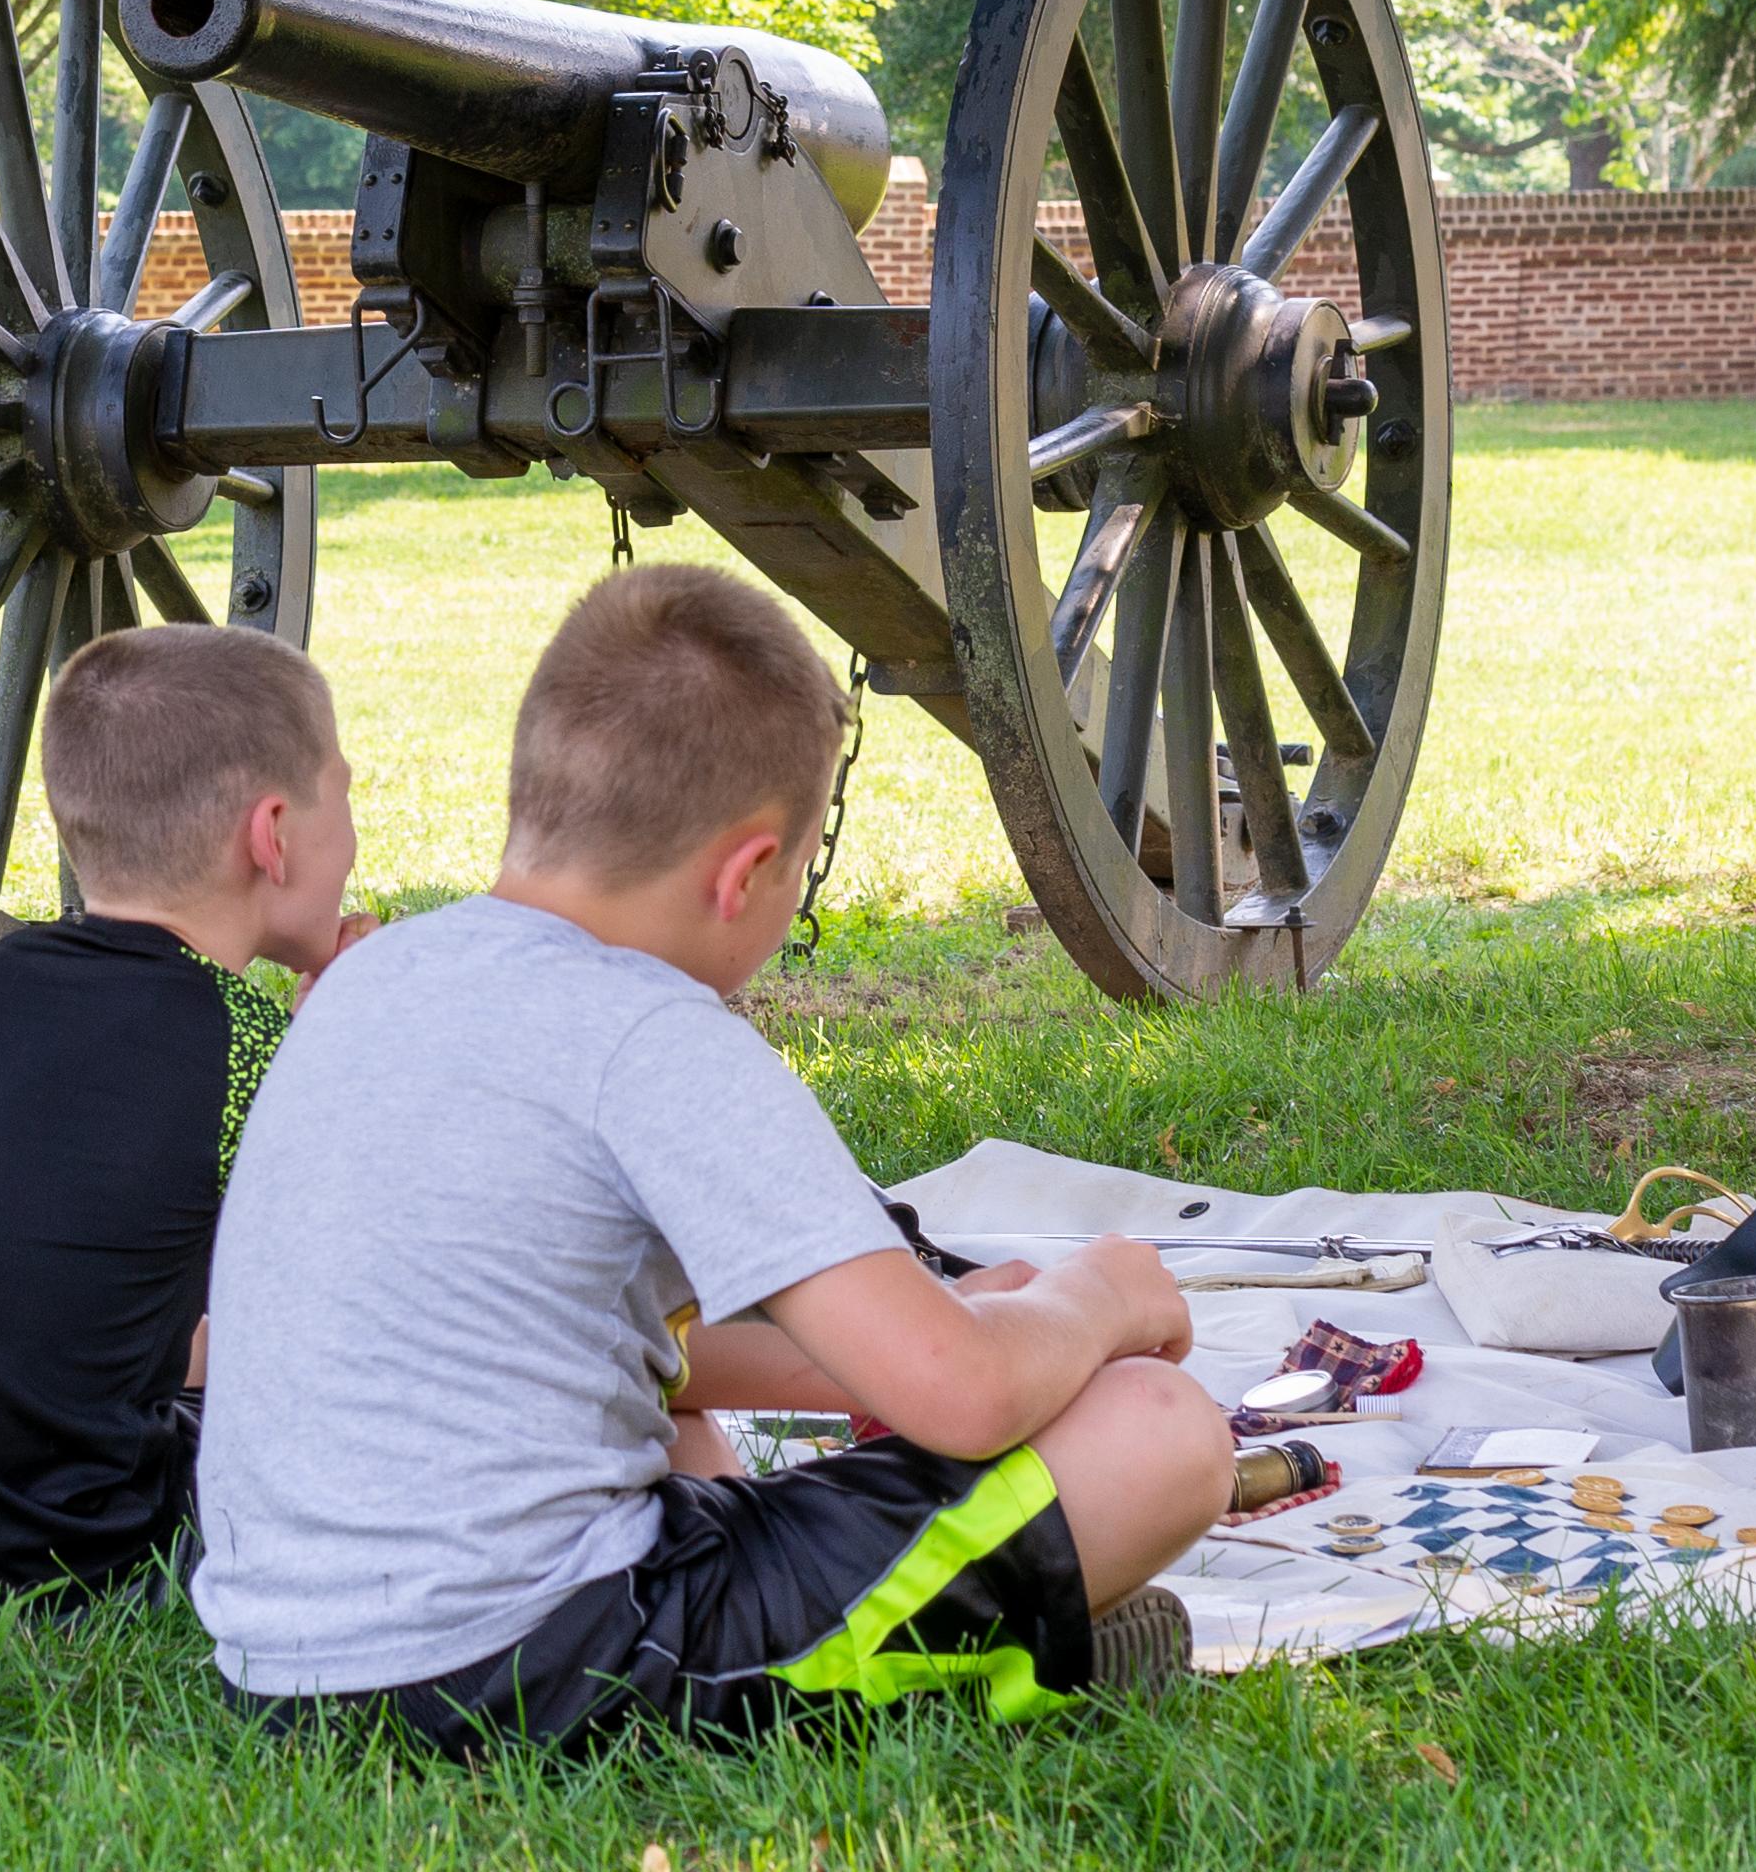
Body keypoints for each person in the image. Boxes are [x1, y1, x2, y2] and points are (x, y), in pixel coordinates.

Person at [198, 567, 1230, 1751]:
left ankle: (932, 1624)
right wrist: (1097, 1296)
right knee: (1159, 1429)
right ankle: (966, 1663)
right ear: (747, 872)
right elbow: (966, 1391)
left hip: (281, 1661)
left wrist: (882, 1348)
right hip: (528, 1670)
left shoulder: (372, 974)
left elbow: (618, 1353)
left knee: (689, 1444)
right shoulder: (654, 1032)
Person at [0, 622, 357, 1597]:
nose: (352, 835)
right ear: (272, 835)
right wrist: (341, 1060)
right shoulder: (239, 1043)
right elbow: (356, 1304)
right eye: (346, 798)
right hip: (76, 1544)